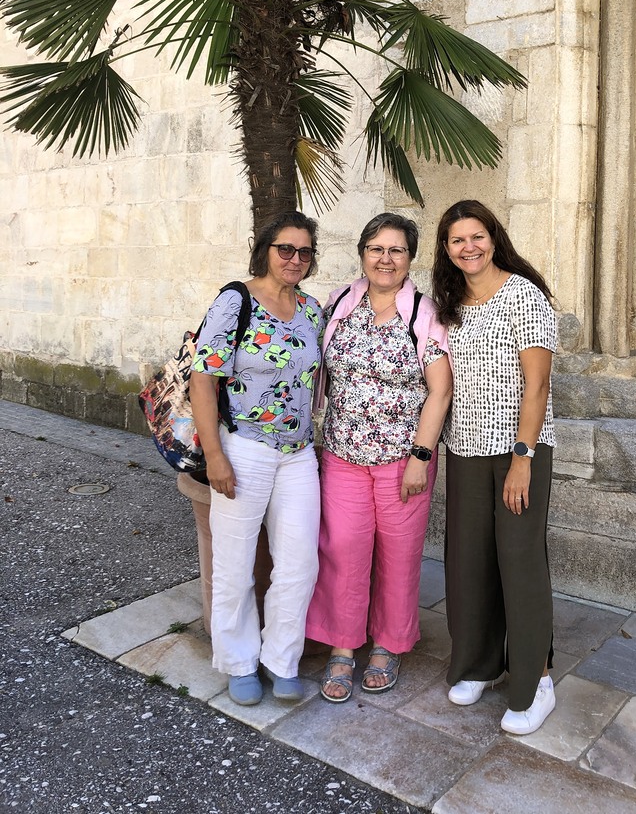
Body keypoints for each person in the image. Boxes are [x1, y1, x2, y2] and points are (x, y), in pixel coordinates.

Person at [305, 213, 453, 702]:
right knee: (343, 549)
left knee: (398, 554)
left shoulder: (424, 314)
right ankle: (343, 646)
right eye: (376, 249)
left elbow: (440, 390)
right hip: (343, 453)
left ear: (410, 258)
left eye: (396, 250)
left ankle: (388, 645)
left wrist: (421, 456)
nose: (385, 259)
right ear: (363, 254)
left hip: (403, 459)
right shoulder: (339, 304)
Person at [432, 200, 557, 735]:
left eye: (477, 236)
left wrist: (522, 460)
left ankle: (536, 682)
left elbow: (538, 385)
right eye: (457, 240)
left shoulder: (523, 294)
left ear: (493, 237)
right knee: (469, 562)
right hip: (465, 449)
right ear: (446, 249)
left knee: (519, 562)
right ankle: (479, 665)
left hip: (518, 451)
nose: (469, 247)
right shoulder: (450, 303)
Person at [189, 211, 323, 706]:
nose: (294, 258)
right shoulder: (235, 301)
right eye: (285, 248)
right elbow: (203, 379)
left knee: (300, 563)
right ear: (265, 249)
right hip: (244, 447)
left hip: (298, 454)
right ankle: (239, 661)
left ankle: (281, 660)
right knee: (234, 563)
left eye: (304, 251)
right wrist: (215, 455)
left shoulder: (312, 310)